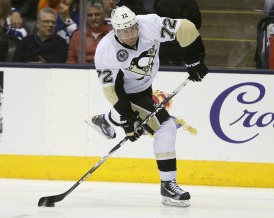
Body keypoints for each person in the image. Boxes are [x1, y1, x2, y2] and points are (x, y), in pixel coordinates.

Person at [89, 6, 208, 207]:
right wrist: (128, 120)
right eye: (124, 31)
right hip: (127, 93)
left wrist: (194, 60)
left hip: (145, 85)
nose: (130, 35)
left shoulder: (150, 25)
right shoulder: (106, 50)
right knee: (166, 127)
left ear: (137, 23)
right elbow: (112, 91)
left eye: (133, 28)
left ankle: (106, 120)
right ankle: (168, 185)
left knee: (149, 117)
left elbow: (185, 27)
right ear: (114, 30)